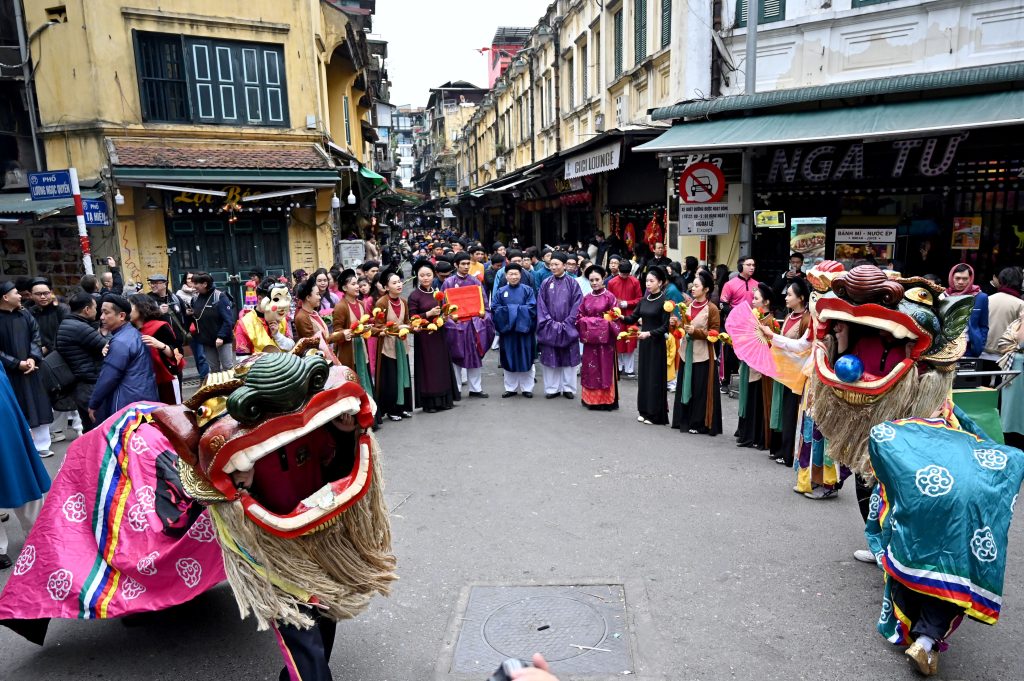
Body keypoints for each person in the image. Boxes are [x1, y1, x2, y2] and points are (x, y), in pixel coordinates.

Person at [0, 367, 51, 570]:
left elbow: (8, 391)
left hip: (9, 428)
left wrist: (24, 425)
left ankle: (36, 533)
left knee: (24, 480)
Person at [0, 281, 54, 458]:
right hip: (9, 374)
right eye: (16, 293)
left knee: (38, 404)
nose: (20, 296)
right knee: (16, 408)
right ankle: (23, 448)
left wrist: (32, 357)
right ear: (5, 297)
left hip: (32, 368)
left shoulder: (25, 314)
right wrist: (16, 363)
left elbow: (36, 336)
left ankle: (42, 445)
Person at [762, 279, 811, 467]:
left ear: (801, 298)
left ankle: (789, 452)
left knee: (791, 413)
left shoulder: (806, 320)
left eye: (790, 294)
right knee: (780, 410)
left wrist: (774, 337)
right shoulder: (789, 317)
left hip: (796, 375)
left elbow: (801, 349)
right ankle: (779, 448)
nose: (786, 297)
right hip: (783, 371)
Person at [88, 294, 158, 424]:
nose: (101, 317)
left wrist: (94, 403)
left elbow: (108, 377)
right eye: (101, 312)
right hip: (141, 399)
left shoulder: (121, 341)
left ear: (121, 316)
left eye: (106, 312)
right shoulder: (132, 334)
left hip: (126, 404)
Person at [672, 270, 723, 435]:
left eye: (696, 286)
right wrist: (676, 324)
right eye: (692, 286)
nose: (692, 289)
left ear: (706, 289)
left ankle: (699, 422)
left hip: (703, 355)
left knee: (700, 390)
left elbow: (715, 334)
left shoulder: (712, 309)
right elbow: (683, 328)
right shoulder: (687, 306)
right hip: (686, 352)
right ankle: (683, 420)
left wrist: (697, 331)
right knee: (685, 386)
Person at [28, 277, 76, 441]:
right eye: (38, 294)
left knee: (68, 392)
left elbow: (66, 332)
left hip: (63, 356)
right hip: (40, 358)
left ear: (51, 293)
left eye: (46, 293)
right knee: (52, 395)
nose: (42, 297)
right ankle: (57, 430)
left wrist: (48, 346)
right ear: (31, 295)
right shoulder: (30, 312)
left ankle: (80, 428)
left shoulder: (62, 310)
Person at [407, 260, 459, 412]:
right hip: (424, 336)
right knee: (428, 368)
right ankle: (430, 403)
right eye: (422, 275)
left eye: (428, 275)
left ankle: (444, 400)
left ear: (433, 275)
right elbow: (412, 317)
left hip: (439, 334)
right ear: (417, 276)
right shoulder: (414, 296)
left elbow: (444, 310)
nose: (425, 278)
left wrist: (445, 316)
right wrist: (428, 314)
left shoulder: (438, 293)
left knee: (441, 365)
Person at [621, 266, 671, 424]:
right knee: (644, 377)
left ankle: (655, 414)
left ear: (660, 282)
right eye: (647, 281)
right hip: (644, 344)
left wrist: (649, 333)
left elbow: (665, 327)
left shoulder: (664, 301)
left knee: (654, 378)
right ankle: (643, 410)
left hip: (656, 343)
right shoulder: (644, 300)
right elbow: (633, 318)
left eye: (652, 281)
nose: (648, 284)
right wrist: (618, 316)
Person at [441, 252, 494, 398]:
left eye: (467, 264)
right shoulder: (448, 283)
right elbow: (444, 307)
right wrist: (450, 321)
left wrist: (484, 317)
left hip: (474, 325)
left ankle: (475, 389)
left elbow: (484, 303)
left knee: (475, 356)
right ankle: (456, 389)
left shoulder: (476, 282)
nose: (465, 267)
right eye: (462, 264)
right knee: (456, 356)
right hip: (456, 326)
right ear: (455, 265)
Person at [735, 283, 778, 450]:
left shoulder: (771, 322)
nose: (753, 301)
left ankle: (757, 436)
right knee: (748, 399)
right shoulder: (755, 319)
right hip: (749, 364)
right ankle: (746, 433)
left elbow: (773, 344)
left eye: (757, 299)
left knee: (758, 401)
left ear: (766, 302)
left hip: (762, 368)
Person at [56, 293, 108, 432]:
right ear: (86, 309)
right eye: (96, 308)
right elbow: (107, 346)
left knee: (89, 426)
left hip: (80, 382)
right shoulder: (79, 327)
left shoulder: (68, 323)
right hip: (88, 383)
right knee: (98, 426)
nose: (98, 313)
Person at [536, 252, 584, 399]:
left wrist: (568, 322)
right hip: (549, 327)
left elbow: (578, 305)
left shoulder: (573, 283)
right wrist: (550, 322)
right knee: (551, 358)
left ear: (564, 265)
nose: (553, 267)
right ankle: (552, 389)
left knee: (569, 359)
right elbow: (541, 306)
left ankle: (568, 388)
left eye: (556, 264)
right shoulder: (545, 283)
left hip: (568, 327)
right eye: (551, 264)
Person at [576, 265, 619, 411]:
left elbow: (616, 319)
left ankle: (606, 400)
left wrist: (592, 323)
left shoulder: (610, 297)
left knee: (605, 368)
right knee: (590, 369)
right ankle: (590, 399)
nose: (594, 283)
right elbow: (579, 317)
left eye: (597, 279)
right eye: (591, 280)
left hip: (606, 342)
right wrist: (597, 323)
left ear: (603, 279)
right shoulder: (586, 298)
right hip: (591, 343)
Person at [129, 293, 183, 405]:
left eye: (130, 306)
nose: (127, 310)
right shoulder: (129, 330)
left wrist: (160, 345)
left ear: (141, 307)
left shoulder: (160, 326)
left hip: (166, 378)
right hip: (144, 382)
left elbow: (178, 354)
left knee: (172, 412)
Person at [493, 262, 537, 398]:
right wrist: (516, 309)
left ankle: (527, 388)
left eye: (516, 274)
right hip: (508, 331)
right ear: (506, 276)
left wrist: (511, 310)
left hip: (524, 330)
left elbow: (532, 308)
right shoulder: (501, 291)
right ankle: (510, 388)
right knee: (508, 358)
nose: (513, 276)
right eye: (510, 274)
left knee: (526, 358)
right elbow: (495, 308)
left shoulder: (527, 290)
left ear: (521, 275)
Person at [374, 271, 413, 421]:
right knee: (391, 379)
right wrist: (392, 329)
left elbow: (407, 321)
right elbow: (378, 326)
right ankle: (391, 409)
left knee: (404, 376)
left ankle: (402, 407)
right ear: (386, 287)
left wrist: (410, 326)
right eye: (394, 283)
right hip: (388, 346)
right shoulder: (382, 303)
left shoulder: (403, 301)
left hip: (402, 344)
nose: (399, 285)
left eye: (399, 282)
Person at [718, 256, 758, 391]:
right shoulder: (729, 285)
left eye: (753, 264)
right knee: (729, 354)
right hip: (733, 325)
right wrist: (737, 314)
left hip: (750, 326)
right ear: (741, 267)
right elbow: (722, 304)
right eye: (749, 264)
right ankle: (725, 382)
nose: (752, 267)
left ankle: (748, 380)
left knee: (748, 354)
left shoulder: (757, 285)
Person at [234, 278, 294, 356]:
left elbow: (291, 347)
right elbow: (242, 359)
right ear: (259, 299)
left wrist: (277, 335)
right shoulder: (245, 323)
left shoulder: (282, 318)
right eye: (275, 299)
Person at [190, 272, 235, 377]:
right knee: (214, 369)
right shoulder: (196, 298)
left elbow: (228, 320)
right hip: (207, 340)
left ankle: (231, 390)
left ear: (204, 284)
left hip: (222, 340)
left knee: (227, 367)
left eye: (196, 283)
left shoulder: (220, 296)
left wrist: (221, 336)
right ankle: (218, 391)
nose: (193, 286)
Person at [980, 267, 1024, 370]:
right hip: (1005, 355)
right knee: (1002, 385)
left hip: (982, 351)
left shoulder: (987, 299)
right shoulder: (1020, 304)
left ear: (1000, 280)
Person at [607, 260, 642, 378]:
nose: (624, 276)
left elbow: (639, 299)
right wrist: (616, 306)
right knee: (618, 341)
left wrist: (627, 303)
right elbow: (609, 299)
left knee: (630, 341)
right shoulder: (612, 282)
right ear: (619, 271)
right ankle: (619, 366)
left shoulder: (635, 281)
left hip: (631, 315)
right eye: (622, 274)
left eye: (626, 274)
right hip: (616, 316)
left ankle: (629, 368)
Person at [996, 309, 1024, 449]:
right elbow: (1002, 344)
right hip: (1012, 368)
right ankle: (1010, 438)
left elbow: (1021, 343)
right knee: (1010, 410)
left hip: (1017, 367)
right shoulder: (1016, 323)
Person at [147, 273, 187, 350]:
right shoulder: (147, 299)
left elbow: (184, 315)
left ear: (165, 284)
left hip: (177, 340)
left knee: (179, 361)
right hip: (159, 342)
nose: (152, 285)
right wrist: (159, 312)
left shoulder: (175, 298)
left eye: (155, 283)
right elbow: (144, 318)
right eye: (151, 283)